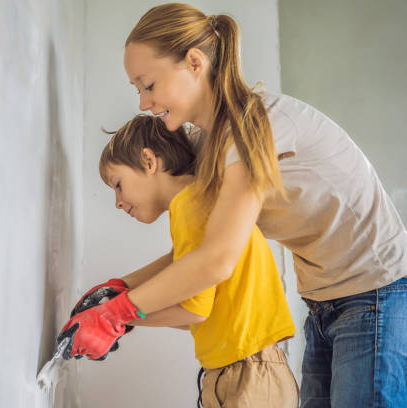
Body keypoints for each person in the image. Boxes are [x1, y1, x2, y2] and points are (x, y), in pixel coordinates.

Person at [59, 3, 407, 407]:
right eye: (137, 90)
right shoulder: (209, 144)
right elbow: (191, 254)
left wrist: (118, 312)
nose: (143, 103)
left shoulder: (252, 124)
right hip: (322, 301)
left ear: (193, 63)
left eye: (149, 85)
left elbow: (217, 259)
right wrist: (120, 288)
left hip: (376, 292)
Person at [61, 114, 298, 407]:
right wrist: (118, 289)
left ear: (149, 161)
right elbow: (183, 275)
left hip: (249, 375)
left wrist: (114, 319)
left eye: (118, 185)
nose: (118, 202)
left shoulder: (189, 206)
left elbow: (193, 311)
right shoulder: (199, 201)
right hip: (246, 370)